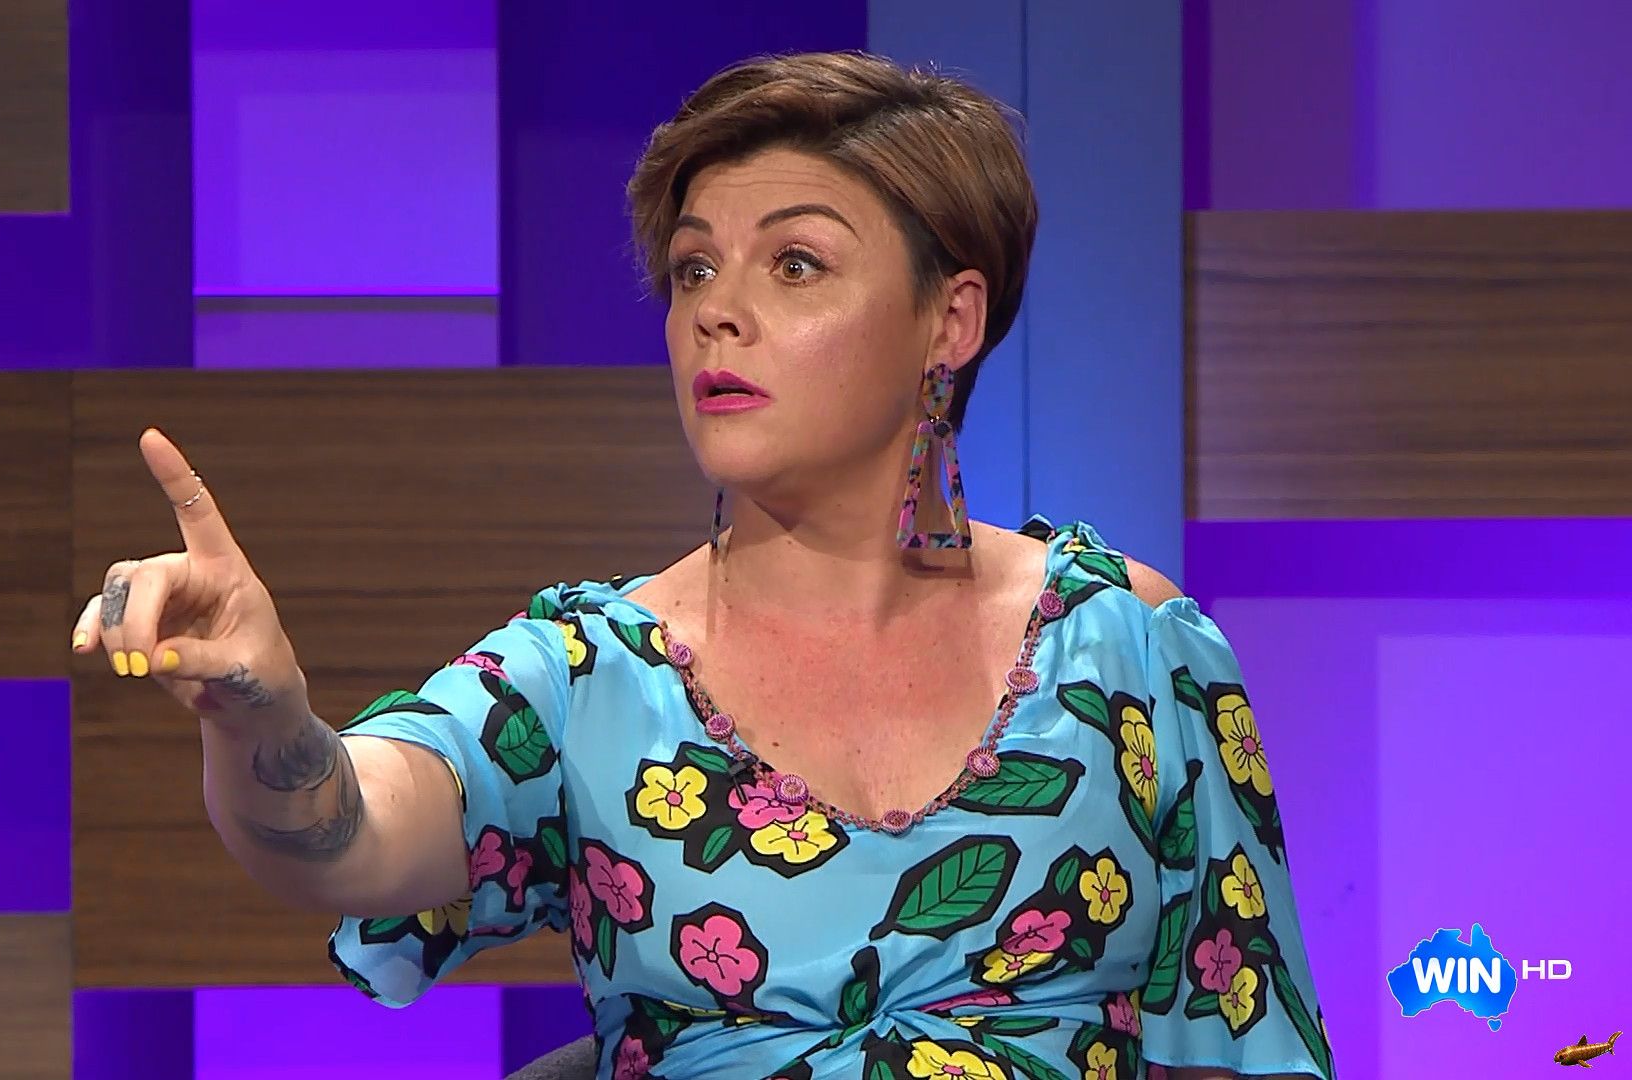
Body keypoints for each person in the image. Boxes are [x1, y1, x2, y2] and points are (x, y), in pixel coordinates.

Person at [72, 50, 1337, 1080]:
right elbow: (344, 836)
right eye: (693, 269)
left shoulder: (1133, 652)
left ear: (949, 320)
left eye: (795, 264)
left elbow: (1238, 1044)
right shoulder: (588, 677)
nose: (716, 311)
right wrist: (263, 717)